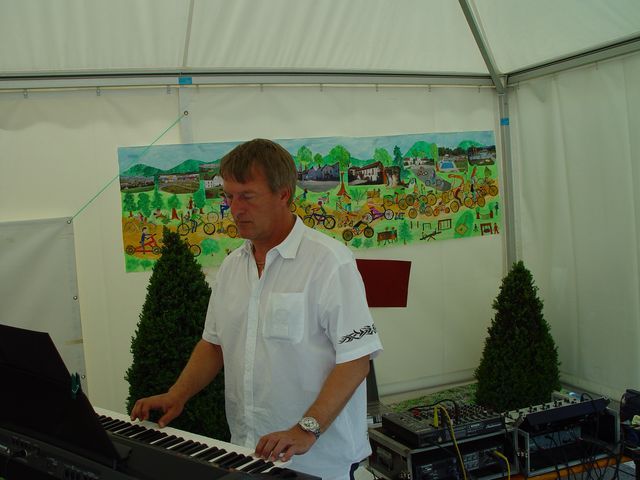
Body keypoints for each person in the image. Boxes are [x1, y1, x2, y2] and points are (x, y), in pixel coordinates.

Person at [130, 138, 383, 480]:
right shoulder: (232, 267)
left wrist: (306, 429)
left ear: (283, 195)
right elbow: (214, 344)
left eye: (247, 196)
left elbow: (356, 361)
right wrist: (177, 395)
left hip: (320, 464)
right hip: (248, 455)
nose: (235, 209)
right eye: (228, 196)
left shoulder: (330, 263)